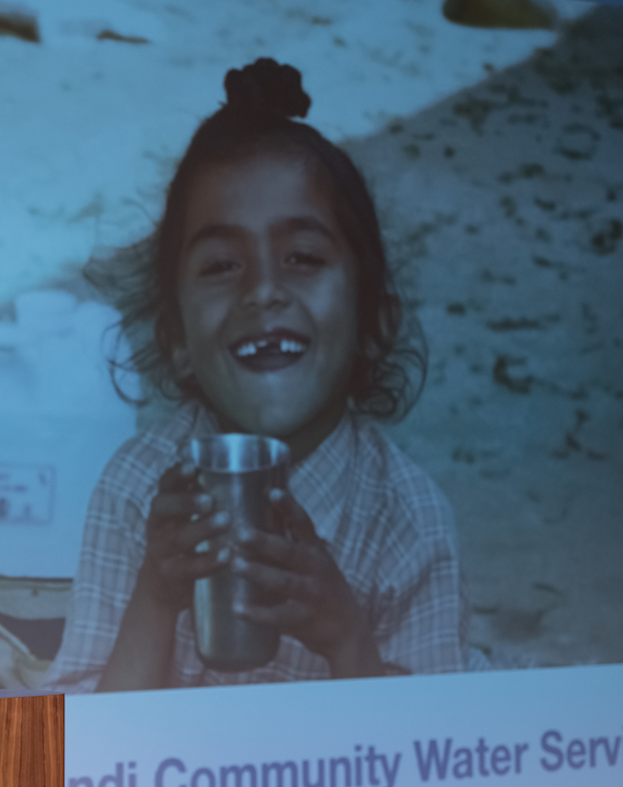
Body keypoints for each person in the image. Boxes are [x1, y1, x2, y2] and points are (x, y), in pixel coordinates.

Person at [44, 59, 469, 694]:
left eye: (302, 257)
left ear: (373, 322)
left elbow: (426, 749)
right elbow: (89, 737)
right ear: (175, 340)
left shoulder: (409, 522)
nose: (264, 290)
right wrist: (156, 594)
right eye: (222, 265)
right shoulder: (139, 487)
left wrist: (347, 638)